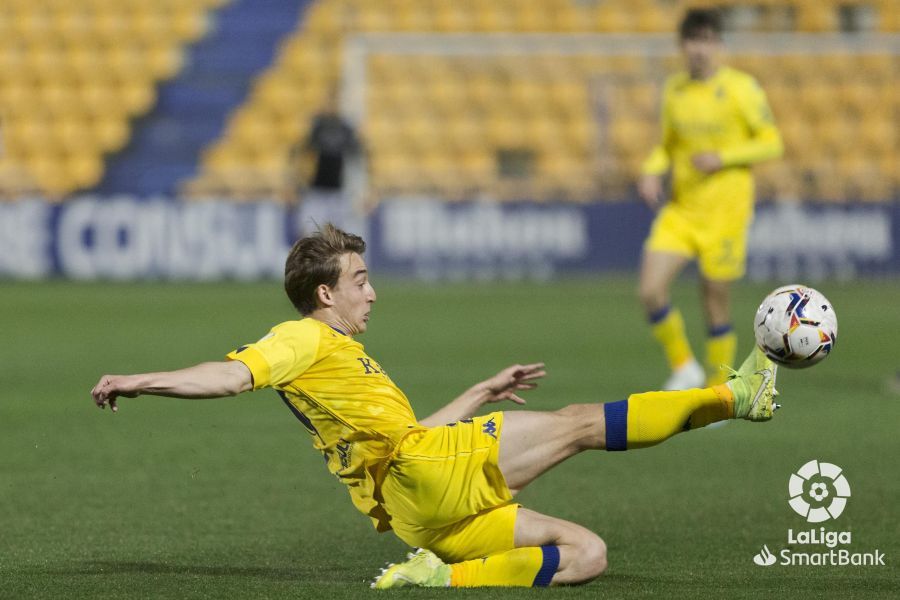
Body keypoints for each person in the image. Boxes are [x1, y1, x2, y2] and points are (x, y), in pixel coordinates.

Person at [91, 224, 779, 589]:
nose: (372, 292)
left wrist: (480, 392)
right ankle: (737, 395)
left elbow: (408, 435)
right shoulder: (301, 337)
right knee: (578, 424)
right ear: (325, 294)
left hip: (420, 512)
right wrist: (138, 379)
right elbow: (230, 376)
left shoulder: (336, 357)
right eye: (360, 280)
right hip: (423, 474)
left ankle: (441, 578)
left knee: (587, 555)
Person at [637, 8, 783, 390]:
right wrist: (652, 170)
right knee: (650, 290)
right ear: (682, 45)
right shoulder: (675, 90)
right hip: (682, 211)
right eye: (691, 40)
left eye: (706, 40)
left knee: (714, 300)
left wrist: (723, 158)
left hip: (725, 214)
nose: (699, 49)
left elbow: (771, 142)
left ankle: (720, 391)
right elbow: (666, 146)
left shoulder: (742, 88)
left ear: (718, 44)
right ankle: (684, 367)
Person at [288, 90, 363, 236]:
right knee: (308, 235)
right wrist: (294, 183)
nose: (332, 105)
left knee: (340, 239)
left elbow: (359, 158)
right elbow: (300, 154)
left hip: (339, 193)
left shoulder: (346, 129)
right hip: (315, 191)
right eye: (330, 101)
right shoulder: (318, 126)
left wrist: (363, 192)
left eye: (336, 101)